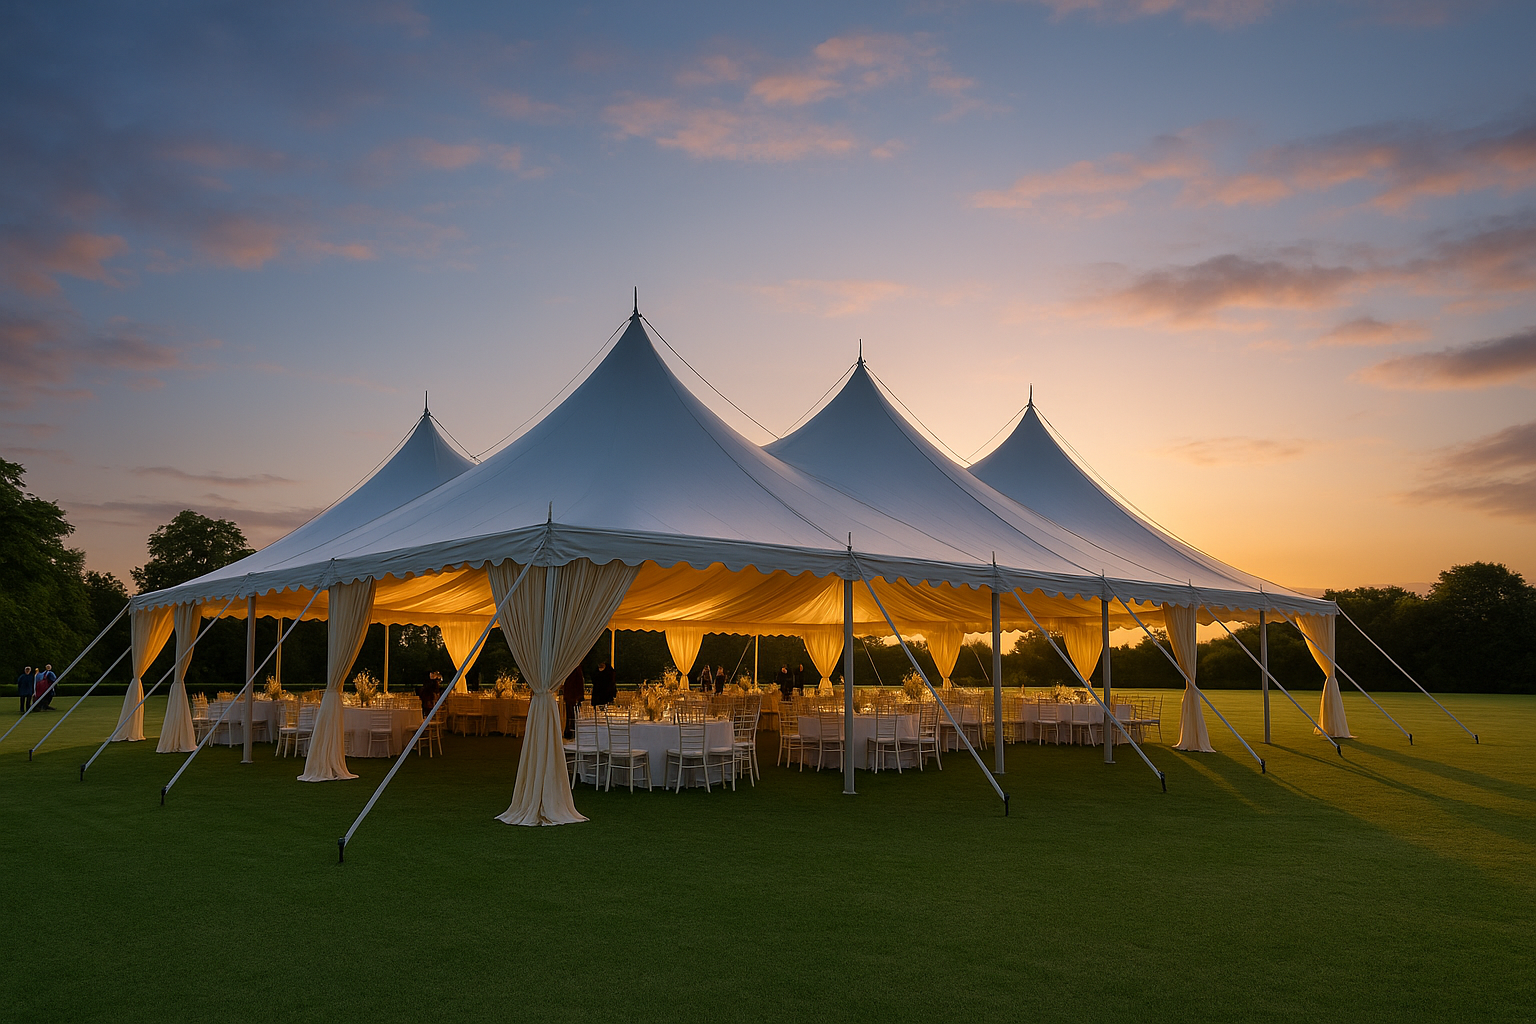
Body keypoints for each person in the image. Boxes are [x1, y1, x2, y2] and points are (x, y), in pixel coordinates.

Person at [561, 664, 585, 739]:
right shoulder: (574, 669)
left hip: (571, 695)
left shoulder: (572, 669)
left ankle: (570, 731)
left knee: (571, 714)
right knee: (571, 714)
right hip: (571, 696)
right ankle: (570, 731)